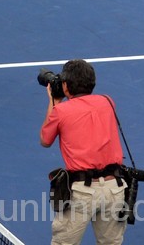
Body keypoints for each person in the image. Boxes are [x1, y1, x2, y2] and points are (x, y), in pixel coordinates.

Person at [40, 59, 127, 245]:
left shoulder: (61, 111)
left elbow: (45, 140)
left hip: (83, 193)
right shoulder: (108, 101)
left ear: (65, 85)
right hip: (115, 189)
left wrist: (54, 102)